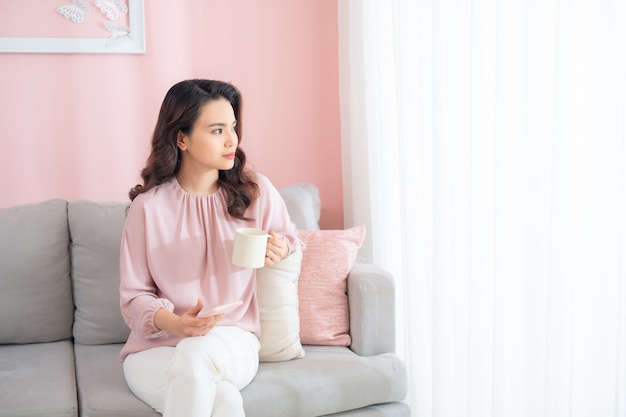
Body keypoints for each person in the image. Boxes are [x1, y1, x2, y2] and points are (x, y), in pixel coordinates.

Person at [119, 79, 301, 417]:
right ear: (181, 138)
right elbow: (134, 297)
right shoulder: (149, 208)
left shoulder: (255, 192)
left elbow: (289, 238)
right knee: (224, 402)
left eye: (232, 127)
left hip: (232, 338)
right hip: (154, 349)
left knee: (196, 355)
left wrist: (278, 248)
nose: (232, 140)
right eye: (217, 130)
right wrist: (176, 324)